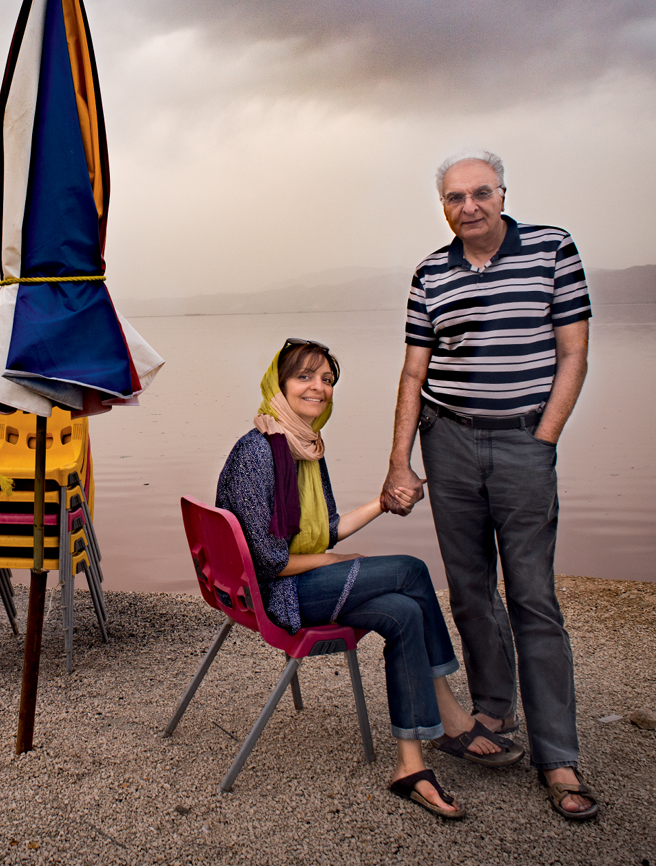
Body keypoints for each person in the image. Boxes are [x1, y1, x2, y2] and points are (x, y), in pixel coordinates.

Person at [216, 338, 523, 819]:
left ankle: (410, 765)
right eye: (305, 377)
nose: (319, 388)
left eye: (327, 379)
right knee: (411, 570)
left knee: (402, 612)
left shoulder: (305, 445)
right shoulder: (260, 452)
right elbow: (269, 563)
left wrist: (385, 502)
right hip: (281, 595)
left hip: (295, 583)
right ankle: (449, 713)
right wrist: (332, 563)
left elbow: (328, 528)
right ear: (278, 384)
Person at [381, 150, 598, 821]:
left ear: (502, 193)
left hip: (523, 440)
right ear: (442, 205)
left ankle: (558, 756)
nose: (468, 206)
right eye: (454, 197)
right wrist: (399, 462)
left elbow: (574, 352)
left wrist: (545, 437)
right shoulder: (429, 273)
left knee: (533, 596)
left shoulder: (552, 249)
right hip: (447, 441)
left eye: (480, 193)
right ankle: (493, 712)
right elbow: (414, 374)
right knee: (471, 591)